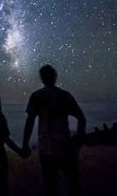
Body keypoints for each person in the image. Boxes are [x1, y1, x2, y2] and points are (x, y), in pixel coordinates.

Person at [22, 65, 86, 196]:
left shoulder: (36, 96)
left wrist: (24, 145)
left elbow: (29, 122)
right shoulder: (64, 95)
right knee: (73, 185)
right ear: (55, 77)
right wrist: (78, 144)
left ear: (42, 78)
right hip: (65, 148)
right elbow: (82, 119)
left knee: (50, 187)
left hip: (46, 149)